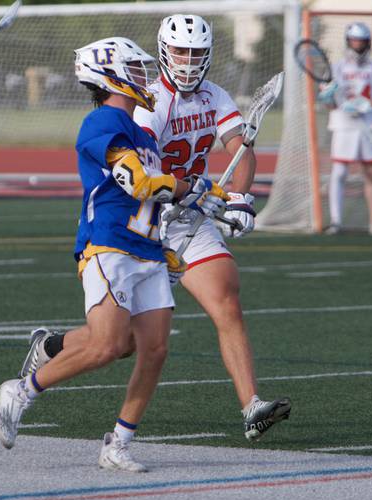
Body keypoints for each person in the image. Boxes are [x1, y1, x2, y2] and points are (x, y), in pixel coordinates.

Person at [17, 15, 292, 443]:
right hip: (145, 221)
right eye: (181, 51)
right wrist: (201, 196)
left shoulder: (214, 96)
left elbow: (240, 147)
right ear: (165, 51)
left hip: (191, 217)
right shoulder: (149, 103)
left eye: (196, 53)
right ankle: (53, 347)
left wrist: (240, 197)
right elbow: (147, 177)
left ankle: (251, 406)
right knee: (121, 343)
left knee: (226, 297)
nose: (188, 61)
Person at [0, 36, 228, 472]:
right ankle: (22, 390)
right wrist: (198, 188)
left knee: (151, 350)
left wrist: (202, 209)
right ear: (110, 75)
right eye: (134, 69)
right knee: (107, 345)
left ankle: (117, 444)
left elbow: (155, 198)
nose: (143, 76)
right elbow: (137, 182)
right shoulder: (101, 123)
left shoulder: (141, 131)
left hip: (146, 248)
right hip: (109, 244)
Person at [320, 22, 372, 236]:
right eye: (354, 40)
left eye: (361, 41)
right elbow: (329, 103)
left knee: (371, 174)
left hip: (367, 125)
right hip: (343, 125)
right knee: (339, 172)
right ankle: (335, 221)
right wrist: (328, 97)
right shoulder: (337, 68)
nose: (357, 45)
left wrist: (368, 104)